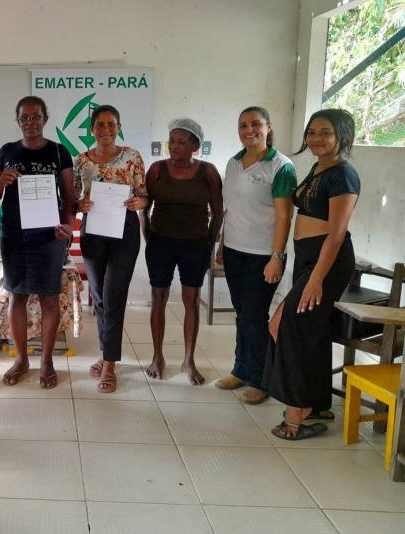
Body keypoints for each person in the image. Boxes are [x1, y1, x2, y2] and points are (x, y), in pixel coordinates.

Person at [265, 109, 359, 440]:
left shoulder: (344, 175)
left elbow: (336, 233)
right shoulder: (319, 167)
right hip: (308, 259)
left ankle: (297, 415)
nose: (316, 138)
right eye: (312, 132)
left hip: (327, 262)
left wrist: (317, 278)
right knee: (312, 328)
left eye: (326, 132)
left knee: (288, 325)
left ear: (342, 136)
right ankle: (318, 403)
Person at [0, 96, 76, 389]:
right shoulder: (7, 151)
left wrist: (67, 225)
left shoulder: (59, 152)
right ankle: (22, 359)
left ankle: (47, 361)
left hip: (49, 238)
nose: (30, 122)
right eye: (24, 117)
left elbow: (69, 197)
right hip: (14, 236)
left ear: (45, 119)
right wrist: (1, 181)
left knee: (49, 298)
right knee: (17, 297)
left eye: (35, 116)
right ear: (18, 121)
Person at [215, 107, 297, 404]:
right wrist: (223, 244)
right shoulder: (234, 162)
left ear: (268, 127)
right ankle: (241, 369)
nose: (249, 130)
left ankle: (261, 379)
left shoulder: (280, 166)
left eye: (255, 124)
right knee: (242, 314)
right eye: (243, 125)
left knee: (254, 316)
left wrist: (277, 256)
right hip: (235, 250)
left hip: (263, 254)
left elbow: (284, 216)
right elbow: (230, 208)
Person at [140, 118, 223, 385]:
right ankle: (157, 357)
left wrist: (209, 243)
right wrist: (149, 237)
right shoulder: (157, 170)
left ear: (195, 146)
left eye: (181, 142)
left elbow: (218, 212)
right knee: (158, 298)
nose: (174, 146)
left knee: (191, 299)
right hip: (160, 243)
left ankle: (188, 360)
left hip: (195, 245)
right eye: (172, 141)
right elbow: (144, 208)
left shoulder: (208, 172)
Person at [74, 105, 148, 393]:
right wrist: (80, 205)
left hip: (124, 232)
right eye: (100, 125)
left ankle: (109, 364)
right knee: (99, 297)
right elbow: (74, 197)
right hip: (93, 232)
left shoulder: (132, 157)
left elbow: (143, 195)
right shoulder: (81, 161)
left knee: (114, 296)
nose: (106, 129)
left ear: (119, 127)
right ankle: (107, 352)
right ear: (92, 129)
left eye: (111, 124)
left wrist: (139, 202)